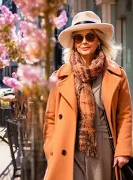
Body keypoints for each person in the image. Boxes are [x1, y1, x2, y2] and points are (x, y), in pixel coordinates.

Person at [43, 11, 132, 180]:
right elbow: (51, 117)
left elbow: (125, 116)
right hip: (68, 147)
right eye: (79, 37)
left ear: (98, 40)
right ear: (74, 43)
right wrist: (51, 148)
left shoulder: (117, 75)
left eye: (90, 36)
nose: (84, 42)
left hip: (104, 147)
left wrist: (123, 151)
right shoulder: (60, 76)